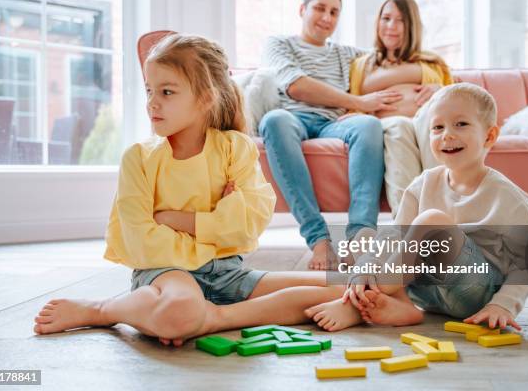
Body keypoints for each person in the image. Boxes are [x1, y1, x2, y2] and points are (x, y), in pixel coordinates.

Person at [32, 33, 352, 344]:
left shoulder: (235, 148)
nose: (152, 103)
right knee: (180, 311)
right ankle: (102, 309)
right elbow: (141, 241)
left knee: (347, 286)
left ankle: (215, 318)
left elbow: (249, 226)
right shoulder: (140, 158)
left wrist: (177, 220)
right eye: (149, 91)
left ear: (205, 98)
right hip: (166, 272)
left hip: (227, 272)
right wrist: (218, 223)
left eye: (167, 92)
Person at [305, 83, 528, 331]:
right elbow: (394, 236)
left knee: (431, 221)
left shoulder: (507, 197)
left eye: (461, 124)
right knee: (378, 241)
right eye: (438, 127)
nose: (447, 134)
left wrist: (503, 305)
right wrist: (366, 266)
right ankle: (394, 301)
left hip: (476, 294)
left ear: (489, 136)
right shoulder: (423, 184)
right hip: (425, 295)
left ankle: (364, 296)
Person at [259, 0, 403, 270]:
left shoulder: (347, 53)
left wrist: (432, 80)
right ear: (303, 10)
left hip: (334, 123)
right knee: (274, 120)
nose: (327, 17)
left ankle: (360, 238)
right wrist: (358, 101)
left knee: (368, 124)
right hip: (292, 118)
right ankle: (319, 240)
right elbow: (296, 86)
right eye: (320, 8)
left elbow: (395, 61)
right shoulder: (278, 44)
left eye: (334, 12)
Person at [349, 0, 453, 215]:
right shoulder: (362, 65)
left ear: (412, 25)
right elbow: (354, 103)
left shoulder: (432, 62)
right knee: (399, 126)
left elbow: (454, 102)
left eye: (400, 20)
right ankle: (407, 225)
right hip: (389, 122)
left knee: (431, 125)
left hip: (424, 119)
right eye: (386, 18)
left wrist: (440, 89)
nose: (391, 26)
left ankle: (442, 217)